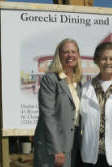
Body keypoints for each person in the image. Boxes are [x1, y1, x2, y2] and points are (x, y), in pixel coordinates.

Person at [33, 38, 82, 167]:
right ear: (59, 55)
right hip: (54, 149)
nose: (70, 55)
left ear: (78, 55)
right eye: (66, 52)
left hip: (72, 146)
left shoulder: (79, 83)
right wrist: (56, 149)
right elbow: (48, 116)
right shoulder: (51, 79)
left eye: (73, 51)